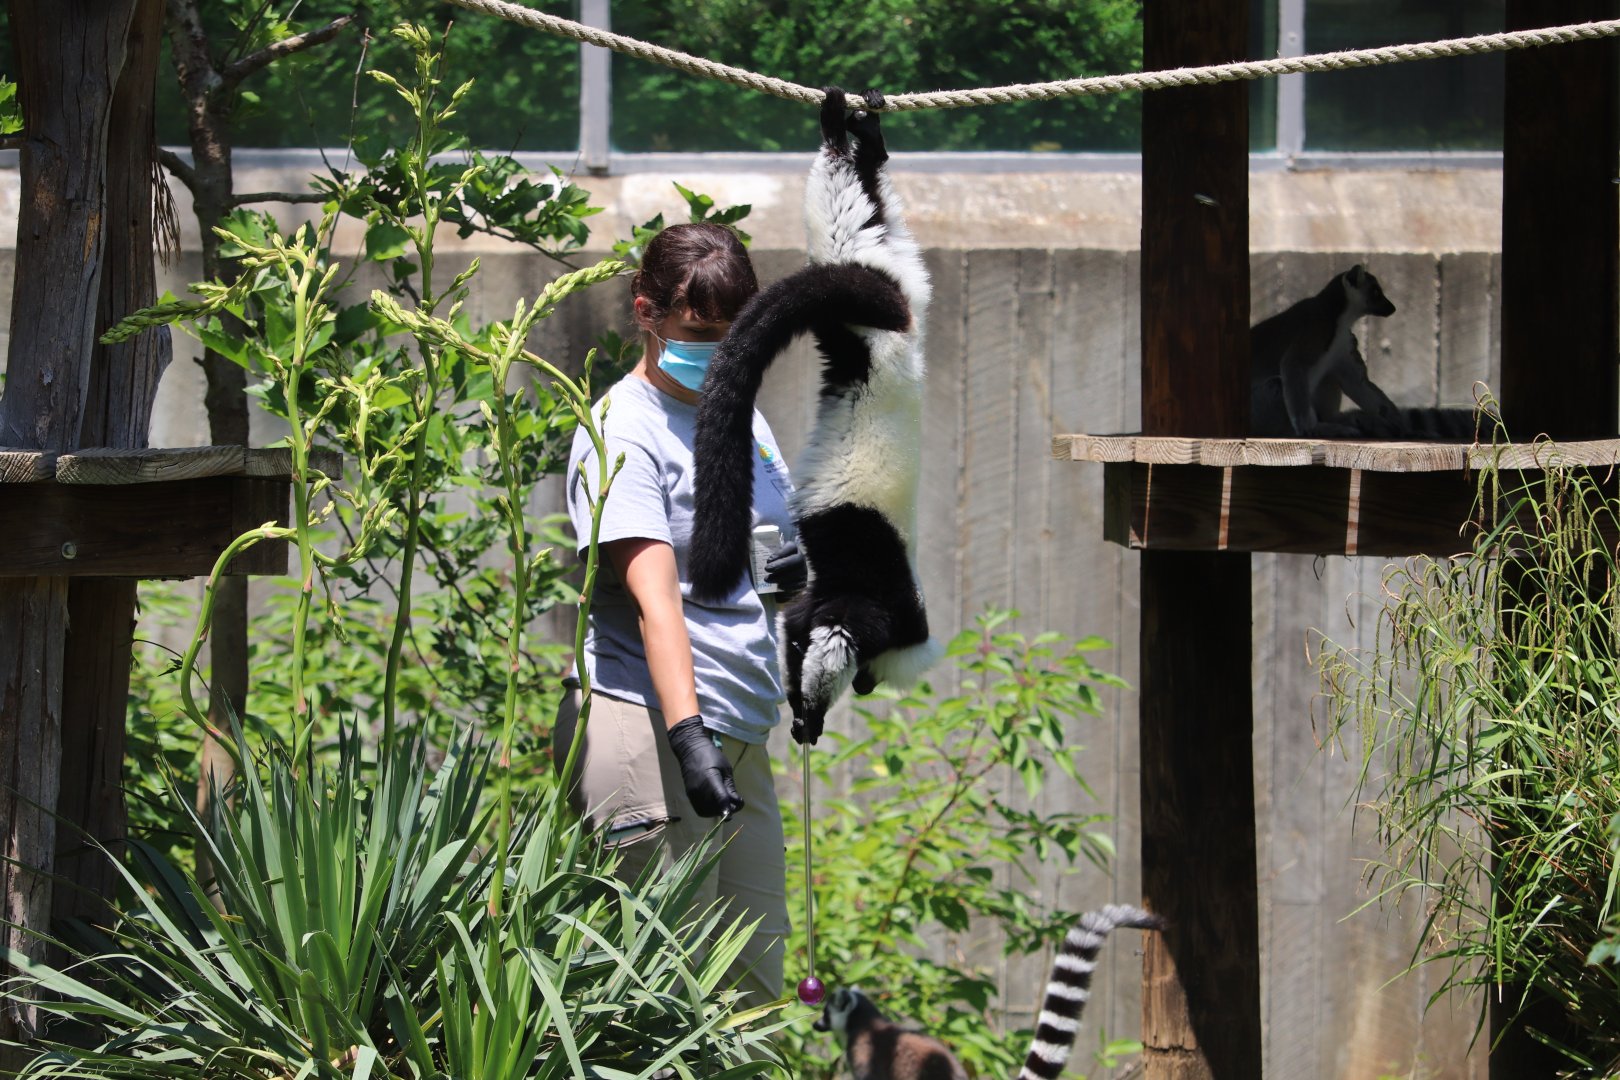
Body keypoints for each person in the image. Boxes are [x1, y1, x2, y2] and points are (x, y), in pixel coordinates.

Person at [553, 221, 805, 1008]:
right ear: (646, 313)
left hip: (739, 722)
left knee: (753, 986)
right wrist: (689, 736)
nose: (722, 354)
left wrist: (794, 578)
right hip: (651, 726)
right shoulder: (622, 431)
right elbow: (656, 599)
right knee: (666, 995)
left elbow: (755, 549)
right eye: (701, 334)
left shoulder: (740, 414)